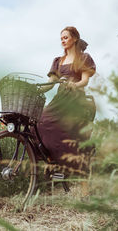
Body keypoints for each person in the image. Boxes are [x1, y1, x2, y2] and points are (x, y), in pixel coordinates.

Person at [37, 26, 96, 187]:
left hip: (75, 99)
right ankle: (53, 161)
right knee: (40, 121)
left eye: (66, 37)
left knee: (61, 128)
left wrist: (74, 85)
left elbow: (85, 80)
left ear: (74, 39)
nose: (63, 40)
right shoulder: (58, 61)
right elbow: (50, 84)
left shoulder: (84, 58)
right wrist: (36, 88)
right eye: (61, 38)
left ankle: (65, 166)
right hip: (60, 99)